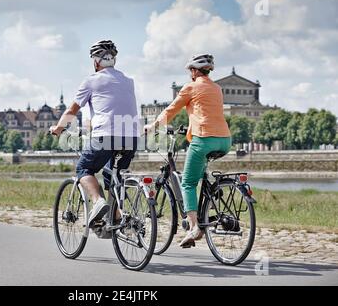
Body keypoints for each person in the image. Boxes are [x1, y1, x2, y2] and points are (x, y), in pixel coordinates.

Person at [50, 39, 140, 230]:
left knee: (83, 169)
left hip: (105, 135)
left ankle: (98, 201)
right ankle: (115, 219)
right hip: (131, 138)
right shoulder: (128, 81)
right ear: (114, 60)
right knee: (113, 177)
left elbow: (72, 111)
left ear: (96, 61)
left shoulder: (91, 80)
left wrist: (58, 128)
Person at [143, 53, 231, 248]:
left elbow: (171, 110)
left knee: (188, 183)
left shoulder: (191, 87)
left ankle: (194, 228)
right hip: (225, 140)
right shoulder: (217, 88)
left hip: (203, 140)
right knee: (200, 173)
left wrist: (153, 126)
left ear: (193, 71)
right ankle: (209, 196)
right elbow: (206, 112)